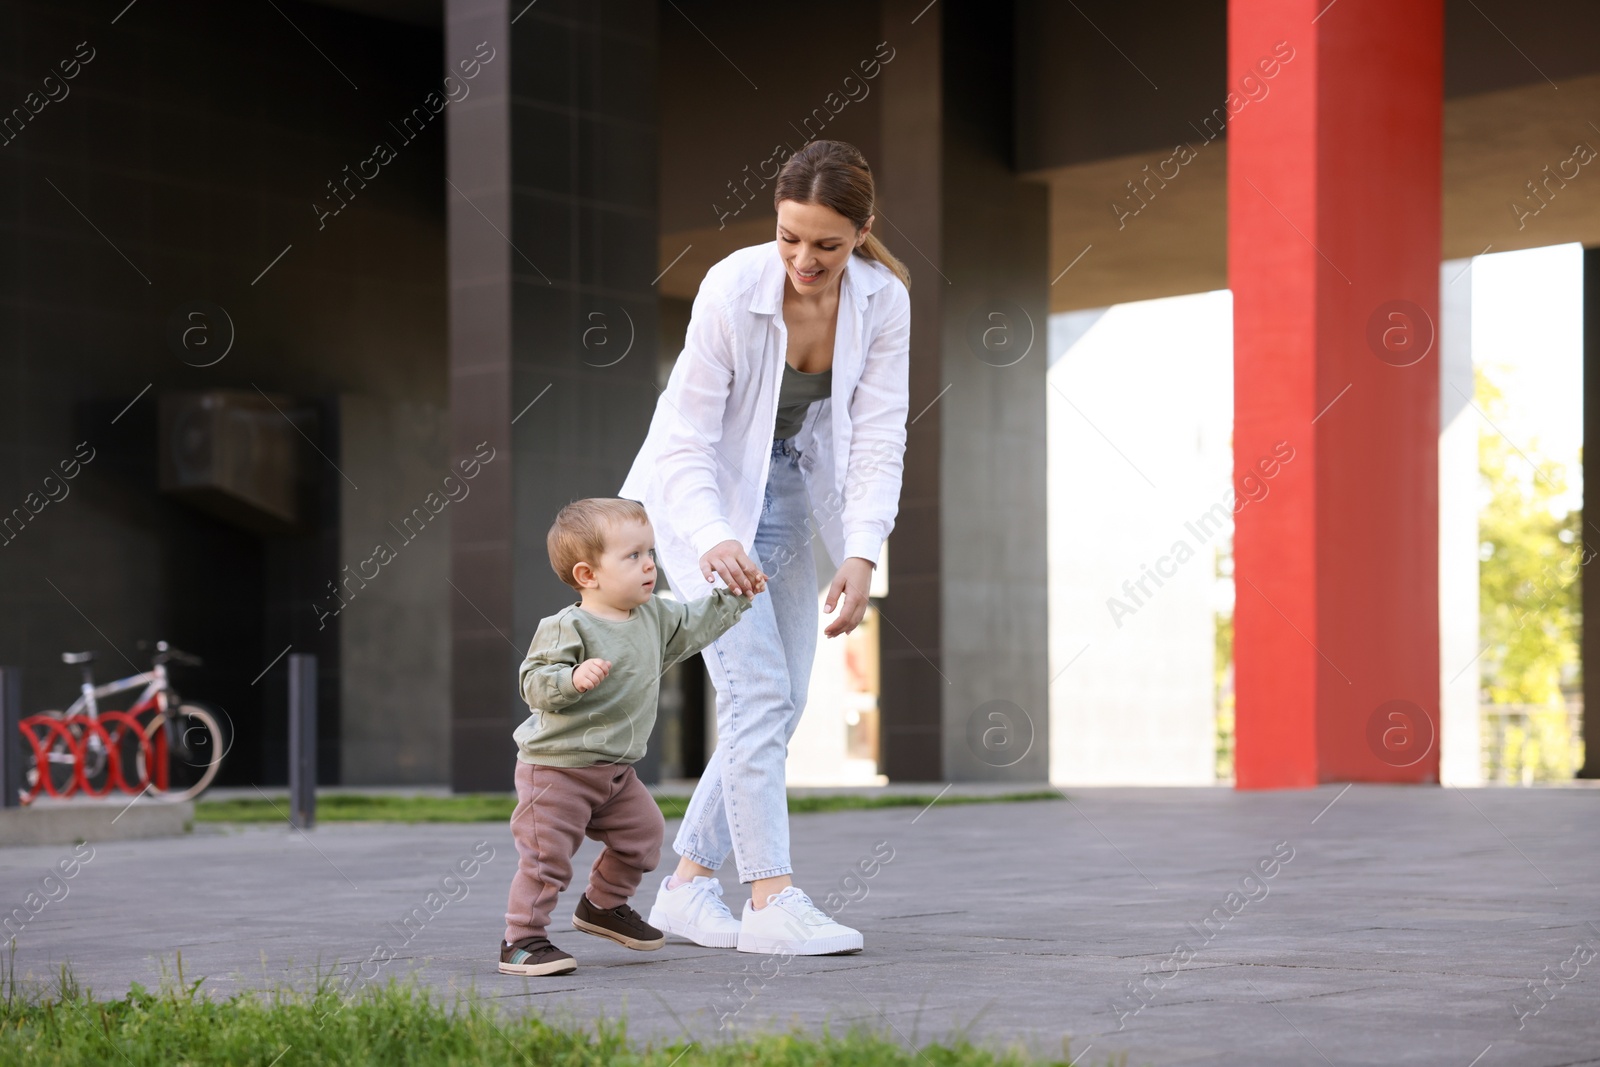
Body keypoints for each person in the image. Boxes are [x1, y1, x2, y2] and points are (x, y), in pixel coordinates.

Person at [619, 139, 912, 956]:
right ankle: (769, 899)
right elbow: (684, 436)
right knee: (754, 694)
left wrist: (861, 550)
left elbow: (879, 436)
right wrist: (710, 537)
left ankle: (684, 888)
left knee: (781, 702)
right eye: (789, 237)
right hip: (699, 495)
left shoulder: (885, 300)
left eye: (826, 243)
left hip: (784, 491)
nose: (803, 260)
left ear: (862, 232)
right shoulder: (731, 285)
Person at [499, 497, 761, 976]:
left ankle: (602, 905)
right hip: (556, 770)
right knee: (546, 860)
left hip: (616, 772)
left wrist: (736, 597)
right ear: (587, 575)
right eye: (633, 556)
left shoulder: (655, 619)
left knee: (645, 836)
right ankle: (522, 939)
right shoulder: (567, 626)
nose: (649, 566)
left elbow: (696, 624)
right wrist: (570, 679)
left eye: (650, 553)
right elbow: (533, 681)